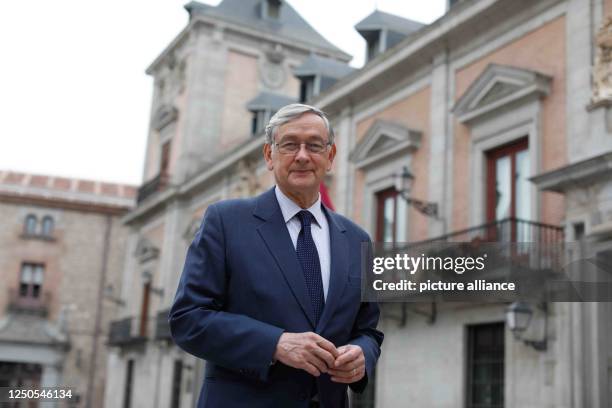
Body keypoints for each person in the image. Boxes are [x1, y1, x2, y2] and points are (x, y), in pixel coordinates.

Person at [169, 103, 383, 408]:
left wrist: (362, 354)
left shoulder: (357, 239)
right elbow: (187, 318)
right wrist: (275, 344)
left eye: (314, 145)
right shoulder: (226, 221)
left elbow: (368, 330)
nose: (302, 155)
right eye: (290, 144)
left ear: (330, 156)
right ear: (270, 156)